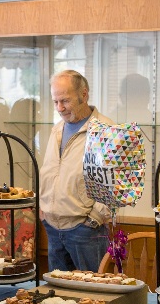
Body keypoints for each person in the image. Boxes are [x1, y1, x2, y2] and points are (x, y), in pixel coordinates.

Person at [39, 69, 114, 272]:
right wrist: (44, 209)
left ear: (84, 94)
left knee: (92, 290)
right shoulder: (57, 129)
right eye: (55, 102)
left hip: (86, 231)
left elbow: (113, 182)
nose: (60, 108)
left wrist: (94, 219)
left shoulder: (105, 130)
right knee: (58, 291)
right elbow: (49, 171)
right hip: (53, 227)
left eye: (65, 100)